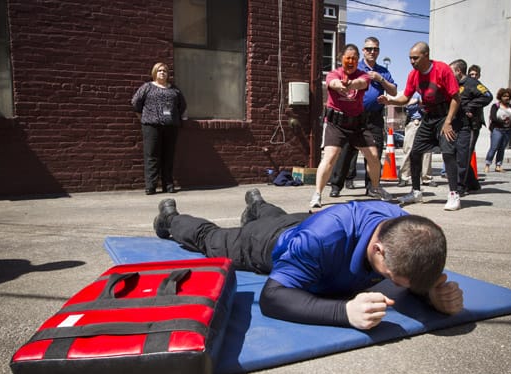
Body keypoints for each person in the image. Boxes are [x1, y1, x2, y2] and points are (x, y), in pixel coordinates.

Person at [152, 189, 464, 329]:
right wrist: (344, 312)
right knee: (210, 238)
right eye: (392, 278)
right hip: (266, 243)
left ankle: (257, 204)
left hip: (305, 224)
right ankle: (171, 220)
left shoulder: (405, 227)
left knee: (284, 218)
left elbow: (416, 272)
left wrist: (430, 293)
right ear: (378, 249)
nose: (393, 285)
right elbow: (273, 297)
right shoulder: (317, 242)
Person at [377, 42, 463, 211]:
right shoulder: (413, 75)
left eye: (415, 58)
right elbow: (406, 98)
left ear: (426, 55)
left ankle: (454, 195)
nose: (412, 61)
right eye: (410, 58)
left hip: (446, 116)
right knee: (415, 153)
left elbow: (456, 97)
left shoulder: (442, 69)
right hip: (429, 117)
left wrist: (448, 122)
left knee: (448, 153)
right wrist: (391, 101)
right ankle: (416, 192)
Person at [310, 44, 392, 208]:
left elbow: (362, 83)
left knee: (374, 156)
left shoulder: (363, 75)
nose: (351, 61)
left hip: (358, 123)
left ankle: (375, 188)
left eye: (354, 58)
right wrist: (340, 85)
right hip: (336, 123)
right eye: (348, 58)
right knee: (330, 157)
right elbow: (332, 83)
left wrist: (350, 84)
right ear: (341, 59)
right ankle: (317, 194)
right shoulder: (333, 74)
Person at [328, 37, 397, 198]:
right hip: (354, 116)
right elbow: (340, 81)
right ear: (363, 51)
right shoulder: (355, 67)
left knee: (375, 152)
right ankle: (336, 185)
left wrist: (380, 79)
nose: (372, 52)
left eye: (375, 49)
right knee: (346, 151)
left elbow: (393, 91)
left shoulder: (383, 71)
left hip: (375, 118)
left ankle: (372, 186)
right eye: (369, 49)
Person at [131, 62, 187, 195]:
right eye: (159, 70)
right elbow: (135, 103)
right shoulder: (147, 87)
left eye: (165, 71)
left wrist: (176, 118)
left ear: (168, 74)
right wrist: (143, 117)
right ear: (154, 72)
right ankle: (151, 186)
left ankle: (168, 185)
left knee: (168, 156)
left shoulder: (174, 90)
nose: (162, 73)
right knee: (152, 156)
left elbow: (182, 106)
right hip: (151, 126)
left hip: (170, 127)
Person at [449, 59, 493, 195]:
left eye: (451, 71)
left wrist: (470, 106)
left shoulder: (472, 83)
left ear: (458, 71)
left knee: (463, 155)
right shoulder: (454, 84)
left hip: (471, 125)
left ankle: (460, 187)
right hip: (457, 124)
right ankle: (473, 184)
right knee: (458, 155)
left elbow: (487, 96)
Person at [397, 92, 435, 187]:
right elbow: (407, 106)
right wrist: (418, 101)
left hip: (427, 122)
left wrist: (419, 102)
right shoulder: (413, 91)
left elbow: (432, 105)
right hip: (414, 122)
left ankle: (427, 177)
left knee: (427, 151)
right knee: (409, 149)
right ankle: (404, 177)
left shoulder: (431, 89)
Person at [484, 88, 511, 173]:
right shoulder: (496, 106)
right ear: (500, 97)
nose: (506, 98)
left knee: (502, 149)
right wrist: (503, 121)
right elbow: (493, 117)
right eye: (504, 96)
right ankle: (487, 164)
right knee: (493, 148)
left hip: (507, 130)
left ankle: (498, 165)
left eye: (508, 96)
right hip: (497, 129)